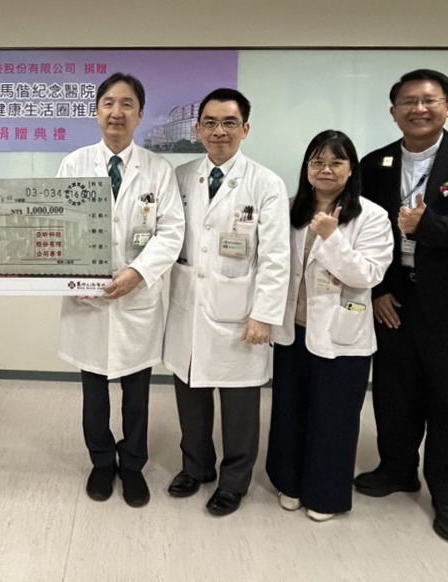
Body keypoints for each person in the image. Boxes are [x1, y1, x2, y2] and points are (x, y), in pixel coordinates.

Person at [356, 69, 448, 543]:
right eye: (408, 101)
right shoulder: (376, 163)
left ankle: (447, 495)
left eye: (429, 100)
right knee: (394, 395)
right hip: (396, 298)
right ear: (393, 111)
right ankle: (397, 469)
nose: (418, 109)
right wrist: (378, 289)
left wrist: (429, 227)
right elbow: (362, 232)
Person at [56, 73, 185, 508]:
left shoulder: (158, 170)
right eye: (108, 103)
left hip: (137, 297)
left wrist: (137, 272)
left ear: (140, 114)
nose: (117, 112)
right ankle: (100, 461)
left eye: (127, 104)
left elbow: (171, 232)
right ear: (96, 112)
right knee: (93, 393)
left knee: (136, 393)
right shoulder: (74, 164)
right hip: (87, 299)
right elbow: (57, 225)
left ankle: (131, 465)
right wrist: (74, 276)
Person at [164, 88, 290, 517]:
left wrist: (264, 316)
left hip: (241, 314)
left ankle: (234, 481)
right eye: (211, 123)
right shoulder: (181, 176)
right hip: (188, 306)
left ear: (245, 129)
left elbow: (276, 258)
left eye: (229, 123)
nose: (219, 131)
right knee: (190, 394)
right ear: (198, 129)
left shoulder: (266, 183)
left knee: (239, 407)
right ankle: (195, 467)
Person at [267, 130, 393, 521]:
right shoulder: (289, 211)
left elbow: (368, 274)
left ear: (351, 169)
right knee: (289, 411)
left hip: (342, 336)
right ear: (306, 168)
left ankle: (325, 495)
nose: (326, 169)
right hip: (293, 330)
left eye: (336, 162)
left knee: (333, 419)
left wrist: (332, 237)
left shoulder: (371, 216)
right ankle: (289, 483)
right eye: (317, 161)